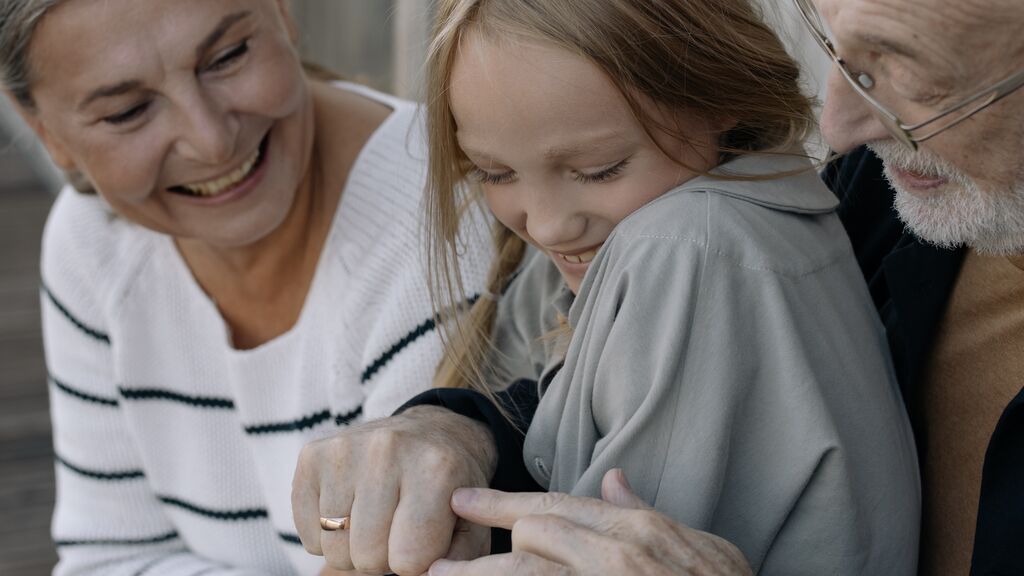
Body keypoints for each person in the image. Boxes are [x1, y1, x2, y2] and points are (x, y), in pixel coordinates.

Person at [290, 1, 920, 574]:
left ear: (715, 94)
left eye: (599, 170)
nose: (547, 224)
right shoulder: (744, 223)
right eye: (495, 172)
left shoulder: (686, 244)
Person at [0, 0, 491, 574]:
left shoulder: (446, 222)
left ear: (282, 13)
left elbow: (397, 564)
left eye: (228, 56)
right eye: (128, 111)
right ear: (45, 132)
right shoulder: (95, 241)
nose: (210, 142)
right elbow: (109, 557)